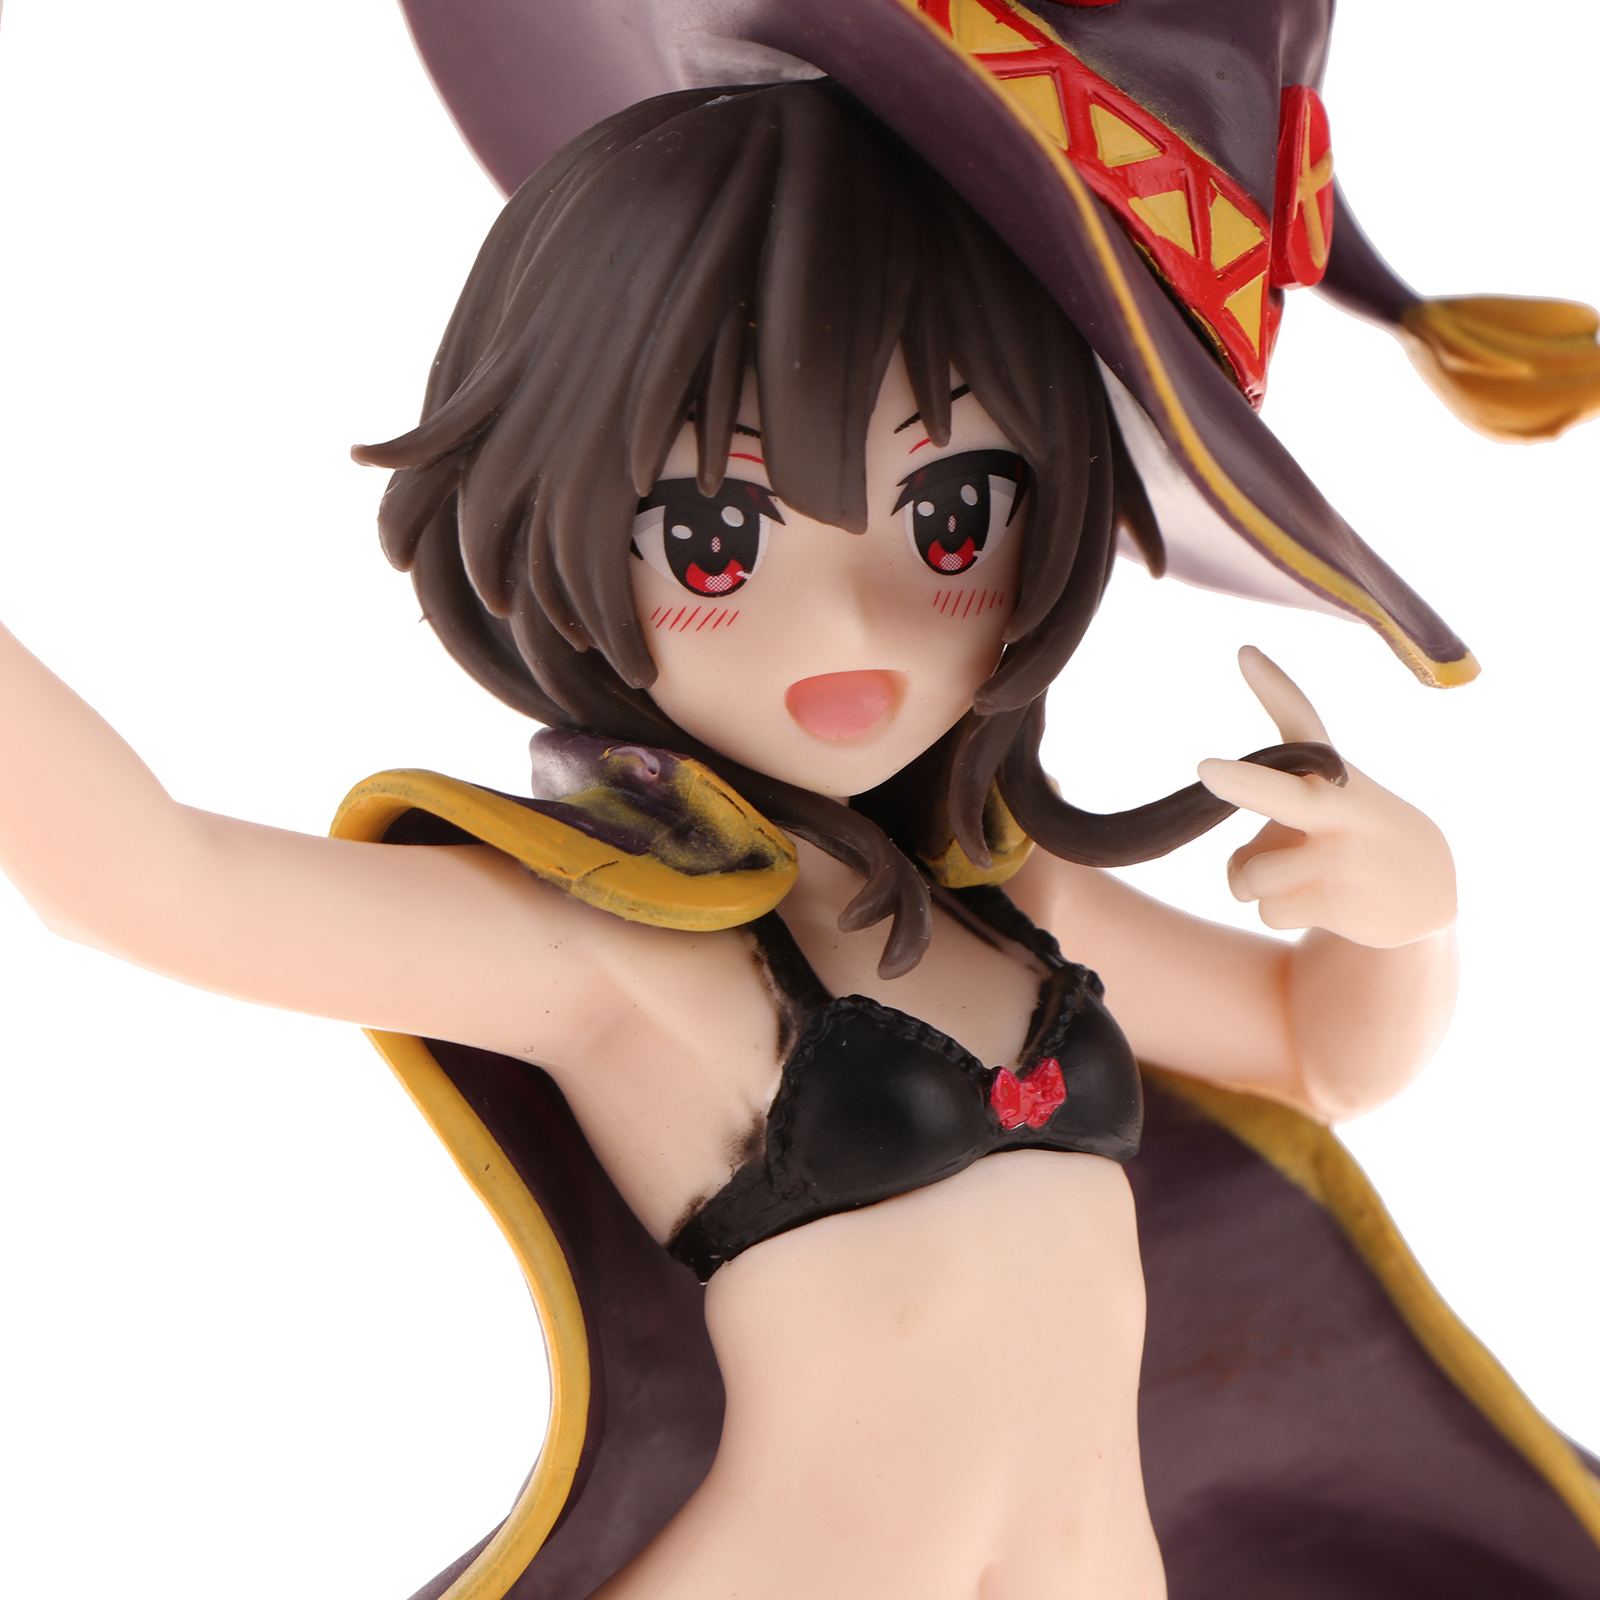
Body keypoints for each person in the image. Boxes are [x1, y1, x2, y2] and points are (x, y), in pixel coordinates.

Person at [3, 71, 1595, 1600]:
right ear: (563, 516)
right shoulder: (607, 948)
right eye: (717, 535)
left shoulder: (1014, 897)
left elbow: (1320, 1054)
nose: (851, 625)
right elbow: (150, 882)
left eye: (951, 516)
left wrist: (1409, 918)